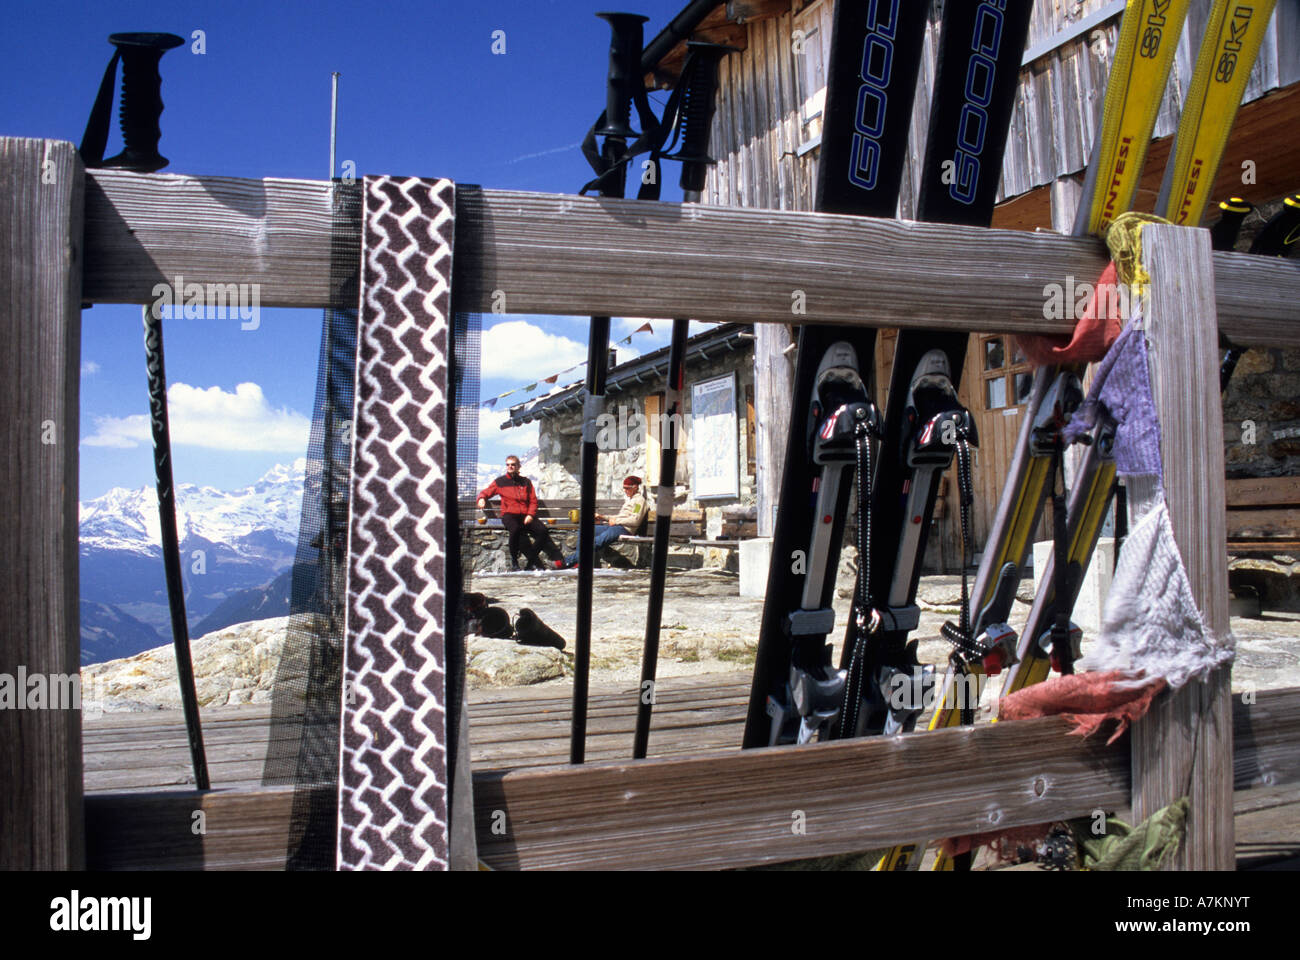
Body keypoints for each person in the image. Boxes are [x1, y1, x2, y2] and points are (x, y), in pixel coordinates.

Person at [477, 456, 563, 571]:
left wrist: (530, 515)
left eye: (513, 464)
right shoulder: (500, 482)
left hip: (525, 516)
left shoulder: (526, 482)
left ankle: (531, 561)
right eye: (508, 465)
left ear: (518, 466)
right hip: (509, 515)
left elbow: (533, 501)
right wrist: (482, 498)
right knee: (515, 530)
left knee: (543, 531)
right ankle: (514, 561)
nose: (510, 467)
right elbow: (486, 492)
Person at [558, 475, 650, 569]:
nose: (625, 490)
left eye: (627, 488)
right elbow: (619, 517)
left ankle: (566, 562)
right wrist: (603, 517)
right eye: (624, 488)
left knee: (596, 542)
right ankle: (579, 560)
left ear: (635, 487)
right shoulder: (631, 500)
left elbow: (635, 520)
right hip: (616, 526)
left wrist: (616, 521)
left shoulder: (639, 502)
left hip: (624, 529)